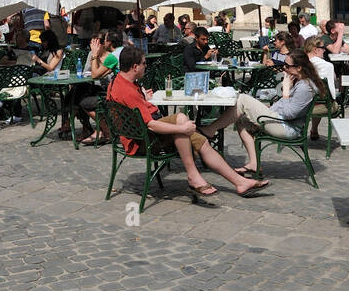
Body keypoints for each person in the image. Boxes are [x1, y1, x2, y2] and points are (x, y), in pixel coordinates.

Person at [108, 47, 268, 198]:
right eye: (144, 63)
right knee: (182, 122)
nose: (146, 66)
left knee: (195, 135)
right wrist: (181, 128)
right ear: (135, 67)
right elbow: (151, 125)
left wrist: (144, 99)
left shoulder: (117, 82)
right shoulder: (129, 91)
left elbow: (135, 111)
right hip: (143, 140)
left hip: (136, 135)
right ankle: (196, 176)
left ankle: (238, 182)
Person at [198, 50, 321, 182]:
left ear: (299, 67)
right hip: (279, 121)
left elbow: (290, 114)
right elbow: (283, 108)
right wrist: (265, 109)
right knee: (242, 120)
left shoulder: (305, 87)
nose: (283, 68)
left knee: (243, 99)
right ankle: (254, 164)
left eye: (287, 66)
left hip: (287, 128)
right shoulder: (298, 81)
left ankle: (211, 129)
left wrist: (285, 91)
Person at [302, 37, 337, 143]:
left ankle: (311, 129)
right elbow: (332, 92)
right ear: (315, 49)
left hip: (301, 104)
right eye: (322, 47)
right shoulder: (327, 66)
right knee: (325, 99)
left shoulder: (299, 64)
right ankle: (314, 129)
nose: (325, 50)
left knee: (316, 96)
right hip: (321, 106)